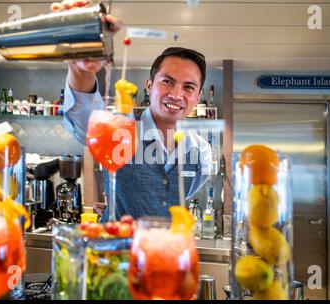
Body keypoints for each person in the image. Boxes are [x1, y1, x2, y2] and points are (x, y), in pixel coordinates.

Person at [54, 0, 212, 221]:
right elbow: (85, 119)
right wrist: (80, 68)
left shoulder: (201, 151)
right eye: (167, 81)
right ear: (149, 86)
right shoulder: (121, 129)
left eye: (188, 87)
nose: (177, 94)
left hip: (165, 253)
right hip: (117, 253)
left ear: (197, 96)